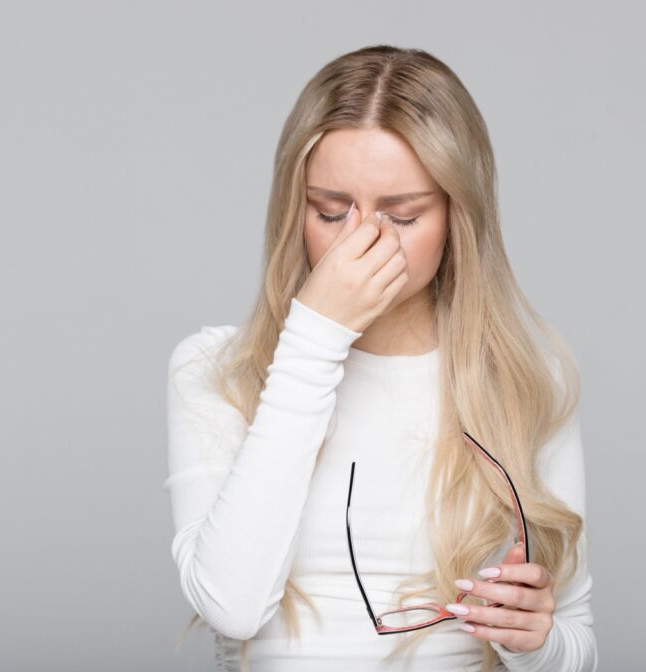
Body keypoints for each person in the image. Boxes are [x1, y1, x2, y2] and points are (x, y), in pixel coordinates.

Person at [163, 46, 597, 672]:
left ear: (457, 217)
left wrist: (531, 641)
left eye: (402, 215)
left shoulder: (527, 379)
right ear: (295, 208)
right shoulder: (213, 370)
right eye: (330, 212)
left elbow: (576, 646)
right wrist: (314, 336)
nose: (360, 241)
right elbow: (231, 607)